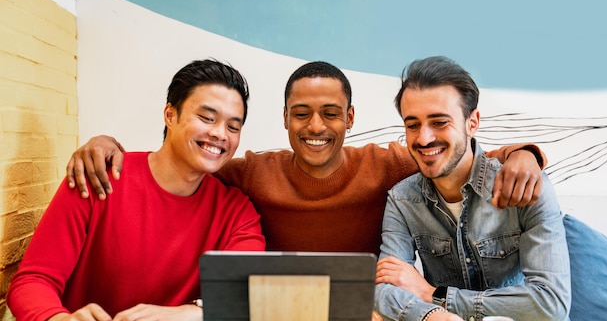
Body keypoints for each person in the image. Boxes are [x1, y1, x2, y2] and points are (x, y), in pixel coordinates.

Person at [64, 61, 545, 255]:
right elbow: (190, 159)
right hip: (279, 311)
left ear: (350, 118)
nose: (316, 127)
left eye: (331, 114)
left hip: (371, 310)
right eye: (303, 114)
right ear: (286, 118)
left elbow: (453, 151)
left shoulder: (387, 164)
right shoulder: (253, 172)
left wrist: (523, 154)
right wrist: (109, 144)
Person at [7, 59, 265, 321]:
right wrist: (55, 320)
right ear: (170, 114)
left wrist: (192, 313)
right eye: (207, 118)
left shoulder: (237, 213)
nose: (220, 134)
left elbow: (246, 295)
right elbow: (32, 280)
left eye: (233, 126)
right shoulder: (97, 176)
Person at [374, 56, 571, 321]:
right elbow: (385, 290)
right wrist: (429, 317)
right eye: (412, 125)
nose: (424, 138)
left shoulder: (527, 185)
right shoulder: (402, 200)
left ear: (472, 122)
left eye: (439, 122)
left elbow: (550, 305)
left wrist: (435, 297)